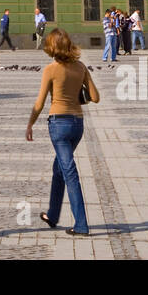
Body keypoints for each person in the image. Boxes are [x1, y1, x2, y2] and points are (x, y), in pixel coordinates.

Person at [27, 27, 98, 236]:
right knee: (59, 168)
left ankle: (81, 224)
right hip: (77, 125)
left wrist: (30, 124)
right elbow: (95, 97)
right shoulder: (81, 67)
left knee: (69, 172)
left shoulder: (51, 69)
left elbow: (39, 103)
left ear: (51, 47)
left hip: (58, 124)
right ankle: (52, 215)